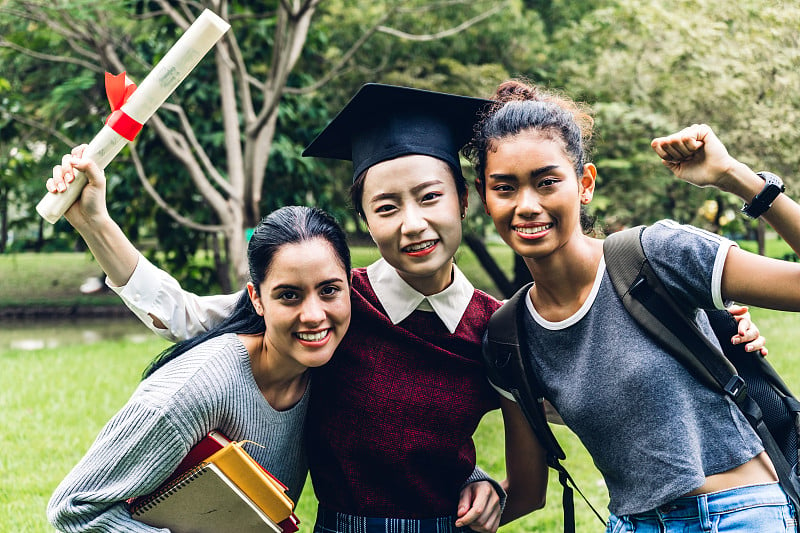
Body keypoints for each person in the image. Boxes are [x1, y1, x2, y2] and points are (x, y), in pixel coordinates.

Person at [46, 84, 548, 533]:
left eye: (430, 197)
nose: (412, 224)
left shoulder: (495, 327)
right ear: (366, 221)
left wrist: (490, 488)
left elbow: (551, 420)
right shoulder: (337, 301)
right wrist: (96, 222)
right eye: (387, 207)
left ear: (464, 199)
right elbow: (185, 314)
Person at [463, 79, 799, 532]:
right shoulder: (510, 336)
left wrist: (735, 177)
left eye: (547, 182)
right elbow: (525, 490)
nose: (526, 205)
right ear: (485, 198)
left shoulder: (654, 255)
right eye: (504, 188)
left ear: (584, 185)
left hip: (740, 513)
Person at [47, 205, 353, 532]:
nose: (313, 315)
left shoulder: (327, 358)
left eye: (329, 290)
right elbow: (71, 507)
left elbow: (182, 311)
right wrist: (91, 219)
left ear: (350, 287)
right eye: (289, 295)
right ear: (257, 300)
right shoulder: (196, 391)